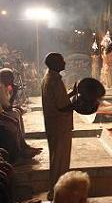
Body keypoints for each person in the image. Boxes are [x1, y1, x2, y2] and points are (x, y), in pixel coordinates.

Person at [41, 53, 77, 200]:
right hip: (59, 125)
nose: (64, 63)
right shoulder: (54, 81)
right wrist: (78, 104)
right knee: (60, 162)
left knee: (56, 158)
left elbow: (59, 100)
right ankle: (58, 194)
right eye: (62, 61)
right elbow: (62, 107)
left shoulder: (49, 78)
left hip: (54, 125)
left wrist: (72, 94)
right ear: (55, 63)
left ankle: (56, 191)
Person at [0, 68, 41, 162]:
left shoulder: (5, 86)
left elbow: (7, 105)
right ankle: (20, 149)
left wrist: (12, 93)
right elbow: (7, 106)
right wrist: (13, 93)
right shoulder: (1, 87)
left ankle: (23, 145)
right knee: (14, 118)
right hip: (2, 114)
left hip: (3, 111)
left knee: (16, 113)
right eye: (10, 77)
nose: (12, 79)